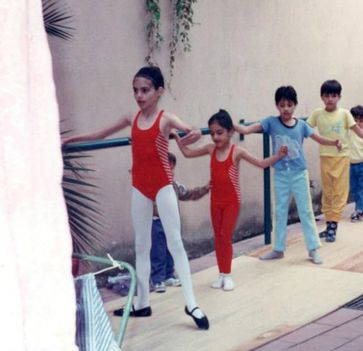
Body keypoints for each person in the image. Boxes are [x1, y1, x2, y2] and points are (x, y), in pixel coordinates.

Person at [61, 66, 209, 330]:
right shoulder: (132, 116)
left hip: (163, 186)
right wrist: (72, 139)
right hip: (139, 187)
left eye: (145, 90)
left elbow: (191, 130)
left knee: (175, 243)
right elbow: (101, 134)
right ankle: (142, 303)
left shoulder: (166, 119)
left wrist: (191, 133)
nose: (139, 96)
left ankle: (192, 303)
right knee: (142, 246)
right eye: (135, 90)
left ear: (158, 91)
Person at [174, 109, 287, 291]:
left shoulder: (237, 152)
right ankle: (221, 274)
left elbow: (260, 163)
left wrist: (278, 156)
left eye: (220, 133)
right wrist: (176, 138)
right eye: (212, 133)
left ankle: (227, 275)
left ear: (230, 132)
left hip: (231, 202)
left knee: (226, 236)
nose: (215, 137)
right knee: (218, 238)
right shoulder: (210, 149)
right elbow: (187, 153)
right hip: (215, 202)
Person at [234, 86, 341, 264]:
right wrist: (229, 124)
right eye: (282, 105)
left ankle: (313, 249)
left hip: (299, 173)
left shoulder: (301, 125)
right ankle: (278, 249)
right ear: (277, 106)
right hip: (281, 174)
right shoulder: (271, 122)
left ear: (295, 106)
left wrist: (334, 142)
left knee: (305, 210)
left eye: (289, 105)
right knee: (279, 211)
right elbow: (247, 130)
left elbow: (319, 138)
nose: (286, 109)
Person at [307, 79, 363, 242]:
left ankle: (333, 226)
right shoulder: (317, 114)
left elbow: (359, 131)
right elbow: (304, 129)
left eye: (334, 95)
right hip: (325, 158)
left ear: (339, 97)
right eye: (327, 95)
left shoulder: (344, 114)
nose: (330, 99)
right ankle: (329, 225)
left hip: (342, 159)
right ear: (322, 97)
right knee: (328, 193)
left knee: (340, 193)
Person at [151, 152, 209, 293]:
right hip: (156, 222)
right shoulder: (151, 185)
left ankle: (169, 275)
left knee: (171, 249)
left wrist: (205, 189)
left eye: (172, 168)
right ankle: (158, 279)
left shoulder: (175, 186)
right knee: (158, 251)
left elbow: (189, 194)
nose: (169, 172)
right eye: (165, 168)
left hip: (172, 222)